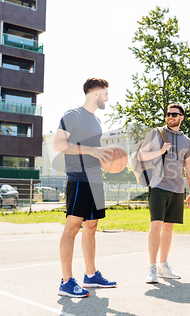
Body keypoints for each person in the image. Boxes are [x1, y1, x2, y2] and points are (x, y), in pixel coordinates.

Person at [53, 78, 117, 298]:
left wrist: (105, 158)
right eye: (105, 93)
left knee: (91, 225)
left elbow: (94, 151)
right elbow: (59, 145)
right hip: (79, 178)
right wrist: (91, 150)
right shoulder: (73, 115)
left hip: (95, 179)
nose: (108, 98)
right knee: (72, 227)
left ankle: (90, 275)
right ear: (95, 93)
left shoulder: (96, 121)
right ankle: (66, 281)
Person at [138, 103, 190, 284]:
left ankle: (163, 266)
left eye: (174, 114)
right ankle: (152, 268)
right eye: (168, 114)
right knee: (156, 225)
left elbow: (189, 168)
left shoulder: (187, 141)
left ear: (181, 117)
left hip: (177, 189)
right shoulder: (156, 134)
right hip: (158, 186)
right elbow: (141, 156)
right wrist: (160, 151)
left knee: (169, 228)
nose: (170, 117)